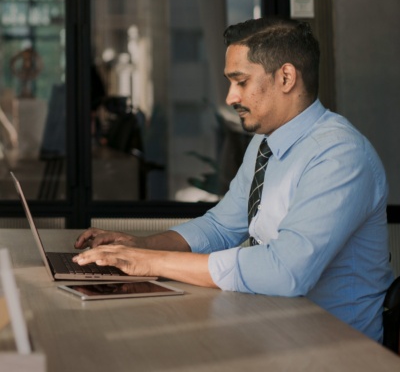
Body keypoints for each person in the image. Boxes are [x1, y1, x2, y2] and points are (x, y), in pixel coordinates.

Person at [74, 17, 393, 342]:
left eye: (240, 81)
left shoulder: (339, 155)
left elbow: (286, 272)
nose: (230, 97)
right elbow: (222, 226)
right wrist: (139, 247)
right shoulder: (265, 142)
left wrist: (153, 262)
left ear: (286, 77)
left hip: (330, 348)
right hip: (271, 325)